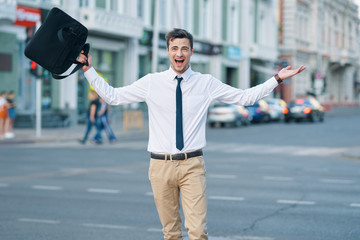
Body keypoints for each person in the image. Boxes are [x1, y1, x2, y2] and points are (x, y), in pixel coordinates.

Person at [78, 28, 305, 240]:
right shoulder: (151, 82)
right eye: (175, 48)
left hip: (192, 165)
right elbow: (113, 96)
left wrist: (277, 79)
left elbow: (244, 97)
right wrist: (89, 70)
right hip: (160, 166)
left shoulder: (205, 83)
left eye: (184, 48)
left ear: (191, 52)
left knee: (197, 231)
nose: (179, 53)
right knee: (171, 233)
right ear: (168, 51)